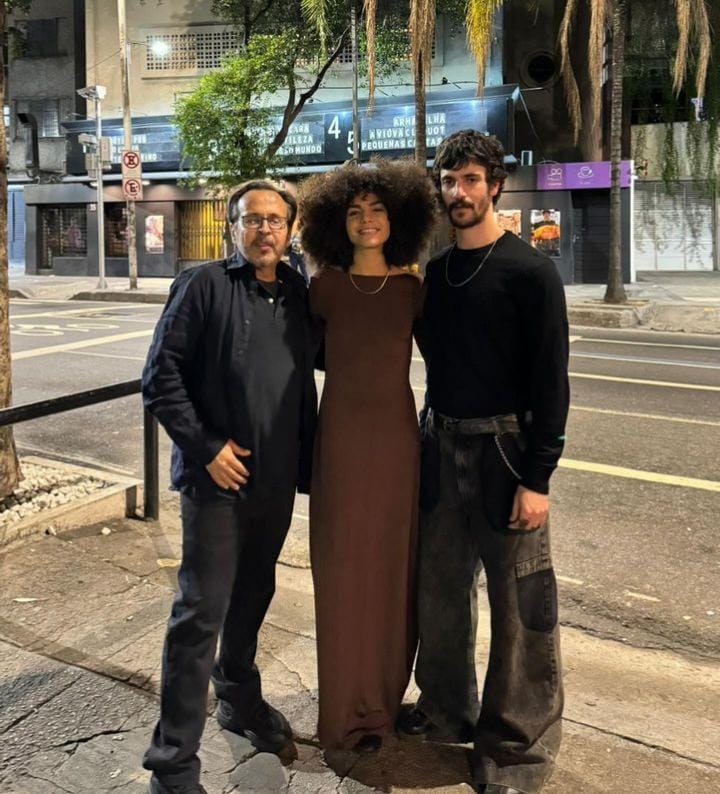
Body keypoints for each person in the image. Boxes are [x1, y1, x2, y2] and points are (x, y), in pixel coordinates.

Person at [399, 130, 569, 794]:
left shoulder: (530, 272)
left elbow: (551, 384)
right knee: (438, 592)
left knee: (520, 605)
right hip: (440, 447)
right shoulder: (435, 276)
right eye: (449, 180)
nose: (459, 192)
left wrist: (538, 479)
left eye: (471, 179)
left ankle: (517, 745)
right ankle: (447, 709)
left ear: (495, 184)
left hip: (506, 452)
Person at [141, 180, 318, 794]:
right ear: (232, 225)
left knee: (254, 595)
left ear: (290, 230)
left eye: (275, 220)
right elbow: (160, 378)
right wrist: (207, 448)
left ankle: (238, 697)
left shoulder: (298, 294)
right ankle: (172, 764)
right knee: (200, 613)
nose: (264, 229)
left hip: (274, 482)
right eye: (252, 219)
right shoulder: (203, 285)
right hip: (216, 483)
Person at [299, 161, 436, 753]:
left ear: (397, 217)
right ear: (337, 222)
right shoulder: (323, 288)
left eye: (377, 209)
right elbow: (299, 363)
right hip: (342, 446)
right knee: (342, 572)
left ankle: (380, 702)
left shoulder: (413, 290)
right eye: (354, 211)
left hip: (398, 447)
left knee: (390, 571)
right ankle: (344, 711)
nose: (367, 220)